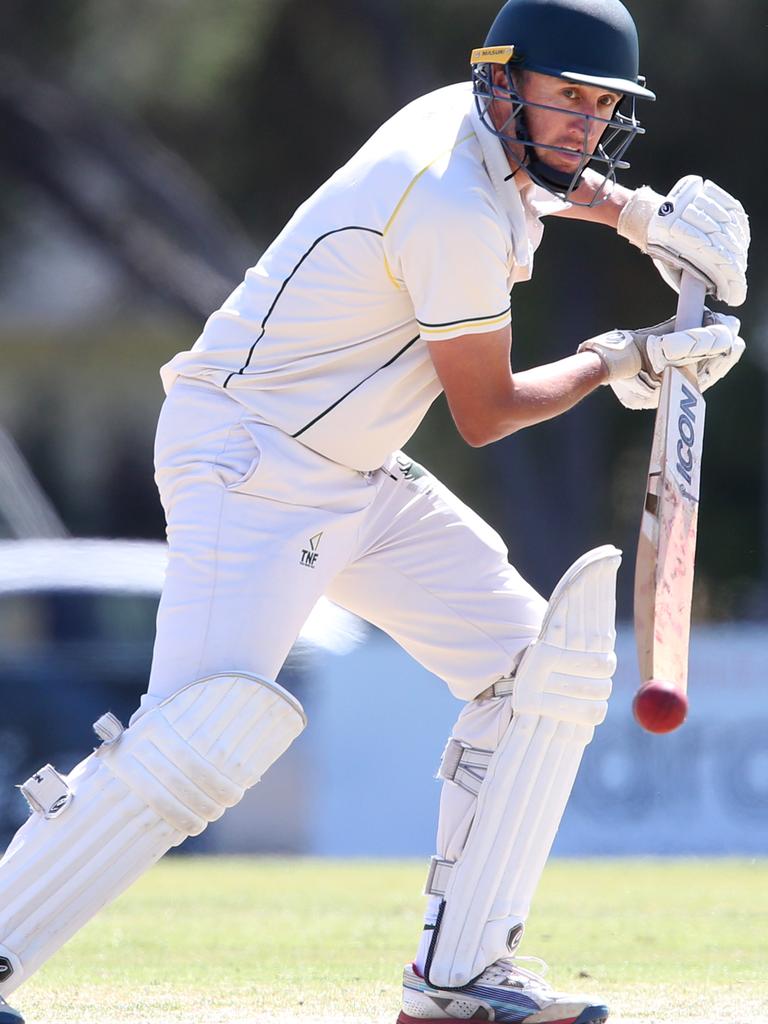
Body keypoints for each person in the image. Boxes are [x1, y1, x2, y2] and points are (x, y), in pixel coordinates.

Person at [0, 1, 749, 1022]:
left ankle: (461, 979)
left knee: (540, 668)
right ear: (503, 83)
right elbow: (485, 414)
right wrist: (624, 357)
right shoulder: (451, 204)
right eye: (564, 97)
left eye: (601, 105)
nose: (581, 124)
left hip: (351, 469)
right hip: (249, 458)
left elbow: (549, 178)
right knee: (196, 738)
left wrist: (637, 213)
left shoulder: (476, 130)